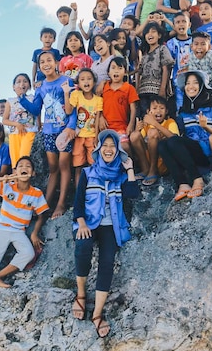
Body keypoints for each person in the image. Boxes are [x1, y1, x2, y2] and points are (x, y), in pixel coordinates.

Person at [72, 130, 139, 338]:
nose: (109, 149)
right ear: (99, 149)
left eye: (113, 146)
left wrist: (129, 170)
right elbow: (78, 202)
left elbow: (133, 194)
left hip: (112, 225)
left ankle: (98, 313)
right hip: (89, 223)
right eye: (106, 145)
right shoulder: (87, 172)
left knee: (107, 262)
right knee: (82, 247)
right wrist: (81, 223)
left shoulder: (120, 175)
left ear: (117, 150)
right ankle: (81, 294)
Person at [0, 156, 49, 316]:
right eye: (20, 166)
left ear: (33, 173)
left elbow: (42, 214)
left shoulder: (36, 193)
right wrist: (3, 179)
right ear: (15, 171)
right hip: (1, 228)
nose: (24, 168)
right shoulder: (8, 186)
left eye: (28, 166)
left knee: (28, 253)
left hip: (19, 230)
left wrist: (34, 233)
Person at [19, 51, 77, 218]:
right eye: (42, 61)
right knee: (53, 169)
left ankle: (60, 204)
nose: (46, 64)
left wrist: (71, 127)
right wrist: (22, 98)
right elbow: (36, 109)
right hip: (48, 132)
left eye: (49, 60)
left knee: (64, 167)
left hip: (64, 131)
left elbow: (73, 107)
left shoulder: (66, 81)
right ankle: (44, 204)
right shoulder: (41, 87)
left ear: (56, 62)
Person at [158, 70, 212, 201]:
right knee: (162, 144)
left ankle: (198, 179)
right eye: (188, 83)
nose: (191, 86)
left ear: (202, 86)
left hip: (207, 153)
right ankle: (182, 184)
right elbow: (179, 136)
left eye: (195, 83)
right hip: (190, 154)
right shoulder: (183, 112)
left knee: (173, 141)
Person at [63, 68, 103, 188]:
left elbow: (97, 119)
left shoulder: (98, 100)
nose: (86, 82)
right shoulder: (76, 95)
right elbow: (69, 111)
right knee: (78, 166)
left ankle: (93, 190)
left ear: (94, 82)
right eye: (82, 79)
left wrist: (96, 136)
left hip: (91, 137)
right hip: (79, 136)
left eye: (89, 79)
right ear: (78, 83)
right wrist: (66, 93)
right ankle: (78, 193)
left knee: (93, 164)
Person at [129, 95, 179, 187]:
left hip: (163, 163)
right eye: (154, 108)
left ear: (166, 111)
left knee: (153, 132)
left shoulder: (170, 122)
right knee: (134, 135)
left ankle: (153, 170)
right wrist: (137, 129)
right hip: (148, 159)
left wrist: (155, 124)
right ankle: (145, 169)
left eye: (162, 108)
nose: (158, 111)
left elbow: (175, 139)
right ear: (148, 112)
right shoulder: (147, 125)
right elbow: (138, 141)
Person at [100, 56, 139, 154]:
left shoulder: (129, 88)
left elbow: (133, 108)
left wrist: (131, 124)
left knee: (124, 146)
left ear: (125, 72)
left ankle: (131, 166)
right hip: (106, 128)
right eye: (113, 68)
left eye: (120, 68)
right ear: (108, 72)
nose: (116, 71)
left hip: (122, 127)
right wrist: (100, 117)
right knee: (105, 149)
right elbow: (98, 104)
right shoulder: (104, 87)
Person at [135, 22, 174, 117]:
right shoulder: (144, 54)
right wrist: (137, 89)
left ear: (159, 35)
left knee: (157, 115)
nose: (150, 34)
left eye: (153, 32)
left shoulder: (162, 49)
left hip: (156, 90)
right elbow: (139, 73)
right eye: (147, 33)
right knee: (145, 115)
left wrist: (162, 89)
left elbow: (166, 69)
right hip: (143, 91)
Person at [3, 73, 38, 165]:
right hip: (14, 134)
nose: (22, 84)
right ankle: (17, 179)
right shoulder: (10, 101)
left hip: (29, 132)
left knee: (24, 158)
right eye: (18, 82)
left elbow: (37, 113)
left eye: (25, 81)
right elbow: (4, 120)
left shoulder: (32, 98)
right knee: (16, 163)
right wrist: (17, 124)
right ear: (13, 87)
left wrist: (39, 126)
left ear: (29, 86)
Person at [166, 12, 193, 113]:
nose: (181, 24)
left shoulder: (194, 41)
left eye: (184, 22)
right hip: (178, 81)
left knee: (195, 105)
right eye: (178, 22)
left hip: (194, 80)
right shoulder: (171, 43)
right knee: (180, 107)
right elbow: (168, 65)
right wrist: (168, 82)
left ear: (189, 24)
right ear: (174, 26)